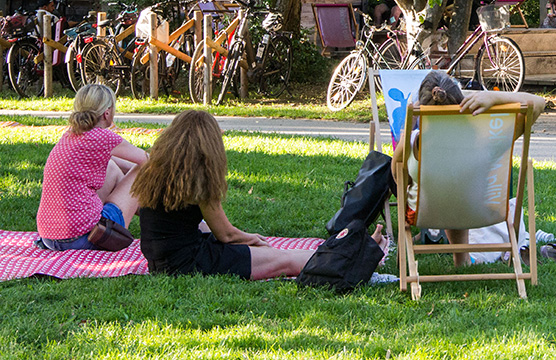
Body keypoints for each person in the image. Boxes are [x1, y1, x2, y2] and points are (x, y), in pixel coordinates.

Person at [133, 110, 335, 279]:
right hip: (188, 263)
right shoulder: (198, 179)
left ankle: (339, 256)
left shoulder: (153, 171)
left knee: (274, 254)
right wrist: (252, 239)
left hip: (159, 261)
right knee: (284, 260)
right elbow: (227, 235)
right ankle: (347, 261)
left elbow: (173, 222)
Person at [405, 71, 547, 267]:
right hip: (478, 210)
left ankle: (455, 257)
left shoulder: (412, 142)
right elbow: (538, 103)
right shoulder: (487, 140)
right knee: (458, 191)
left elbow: (398, 174)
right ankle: (461, 259)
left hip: (424, 212)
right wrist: (493, 96)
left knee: (446, 192)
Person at [36, 84, 148, 251]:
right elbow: (148, 162)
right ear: (107, 112)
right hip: (86, 238)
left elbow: (116, 161)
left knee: (111, 165)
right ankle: (167, 219)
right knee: (142, 172)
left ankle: (157, 217)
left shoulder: (70, 135)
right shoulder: (103, 137)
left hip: (50, 238)